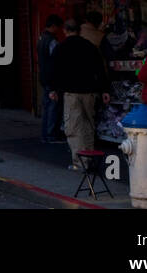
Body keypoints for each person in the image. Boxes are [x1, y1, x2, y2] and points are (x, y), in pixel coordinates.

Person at [51, 19, 111, 170]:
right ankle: (89, 159)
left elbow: (55, 71)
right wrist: (104, 90)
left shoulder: (61, 47)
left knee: (73, 127)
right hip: (90, 91)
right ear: (80, 30)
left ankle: (79, 162)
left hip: (71, 92)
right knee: (88, 125)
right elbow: (100, 69)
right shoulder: (90, 46)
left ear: (65, 30)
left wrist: (54, 90)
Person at [37, 14, 65, 143]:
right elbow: (56, 61)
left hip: (44, 77)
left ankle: (46, 134)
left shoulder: (41, 38)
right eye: (58, 27)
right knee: (53, 107)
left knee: (48, 107)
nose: (59, 30)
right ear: (53, 26)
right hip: (52, 79)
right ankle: (51, 135)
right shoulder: (52, 41)